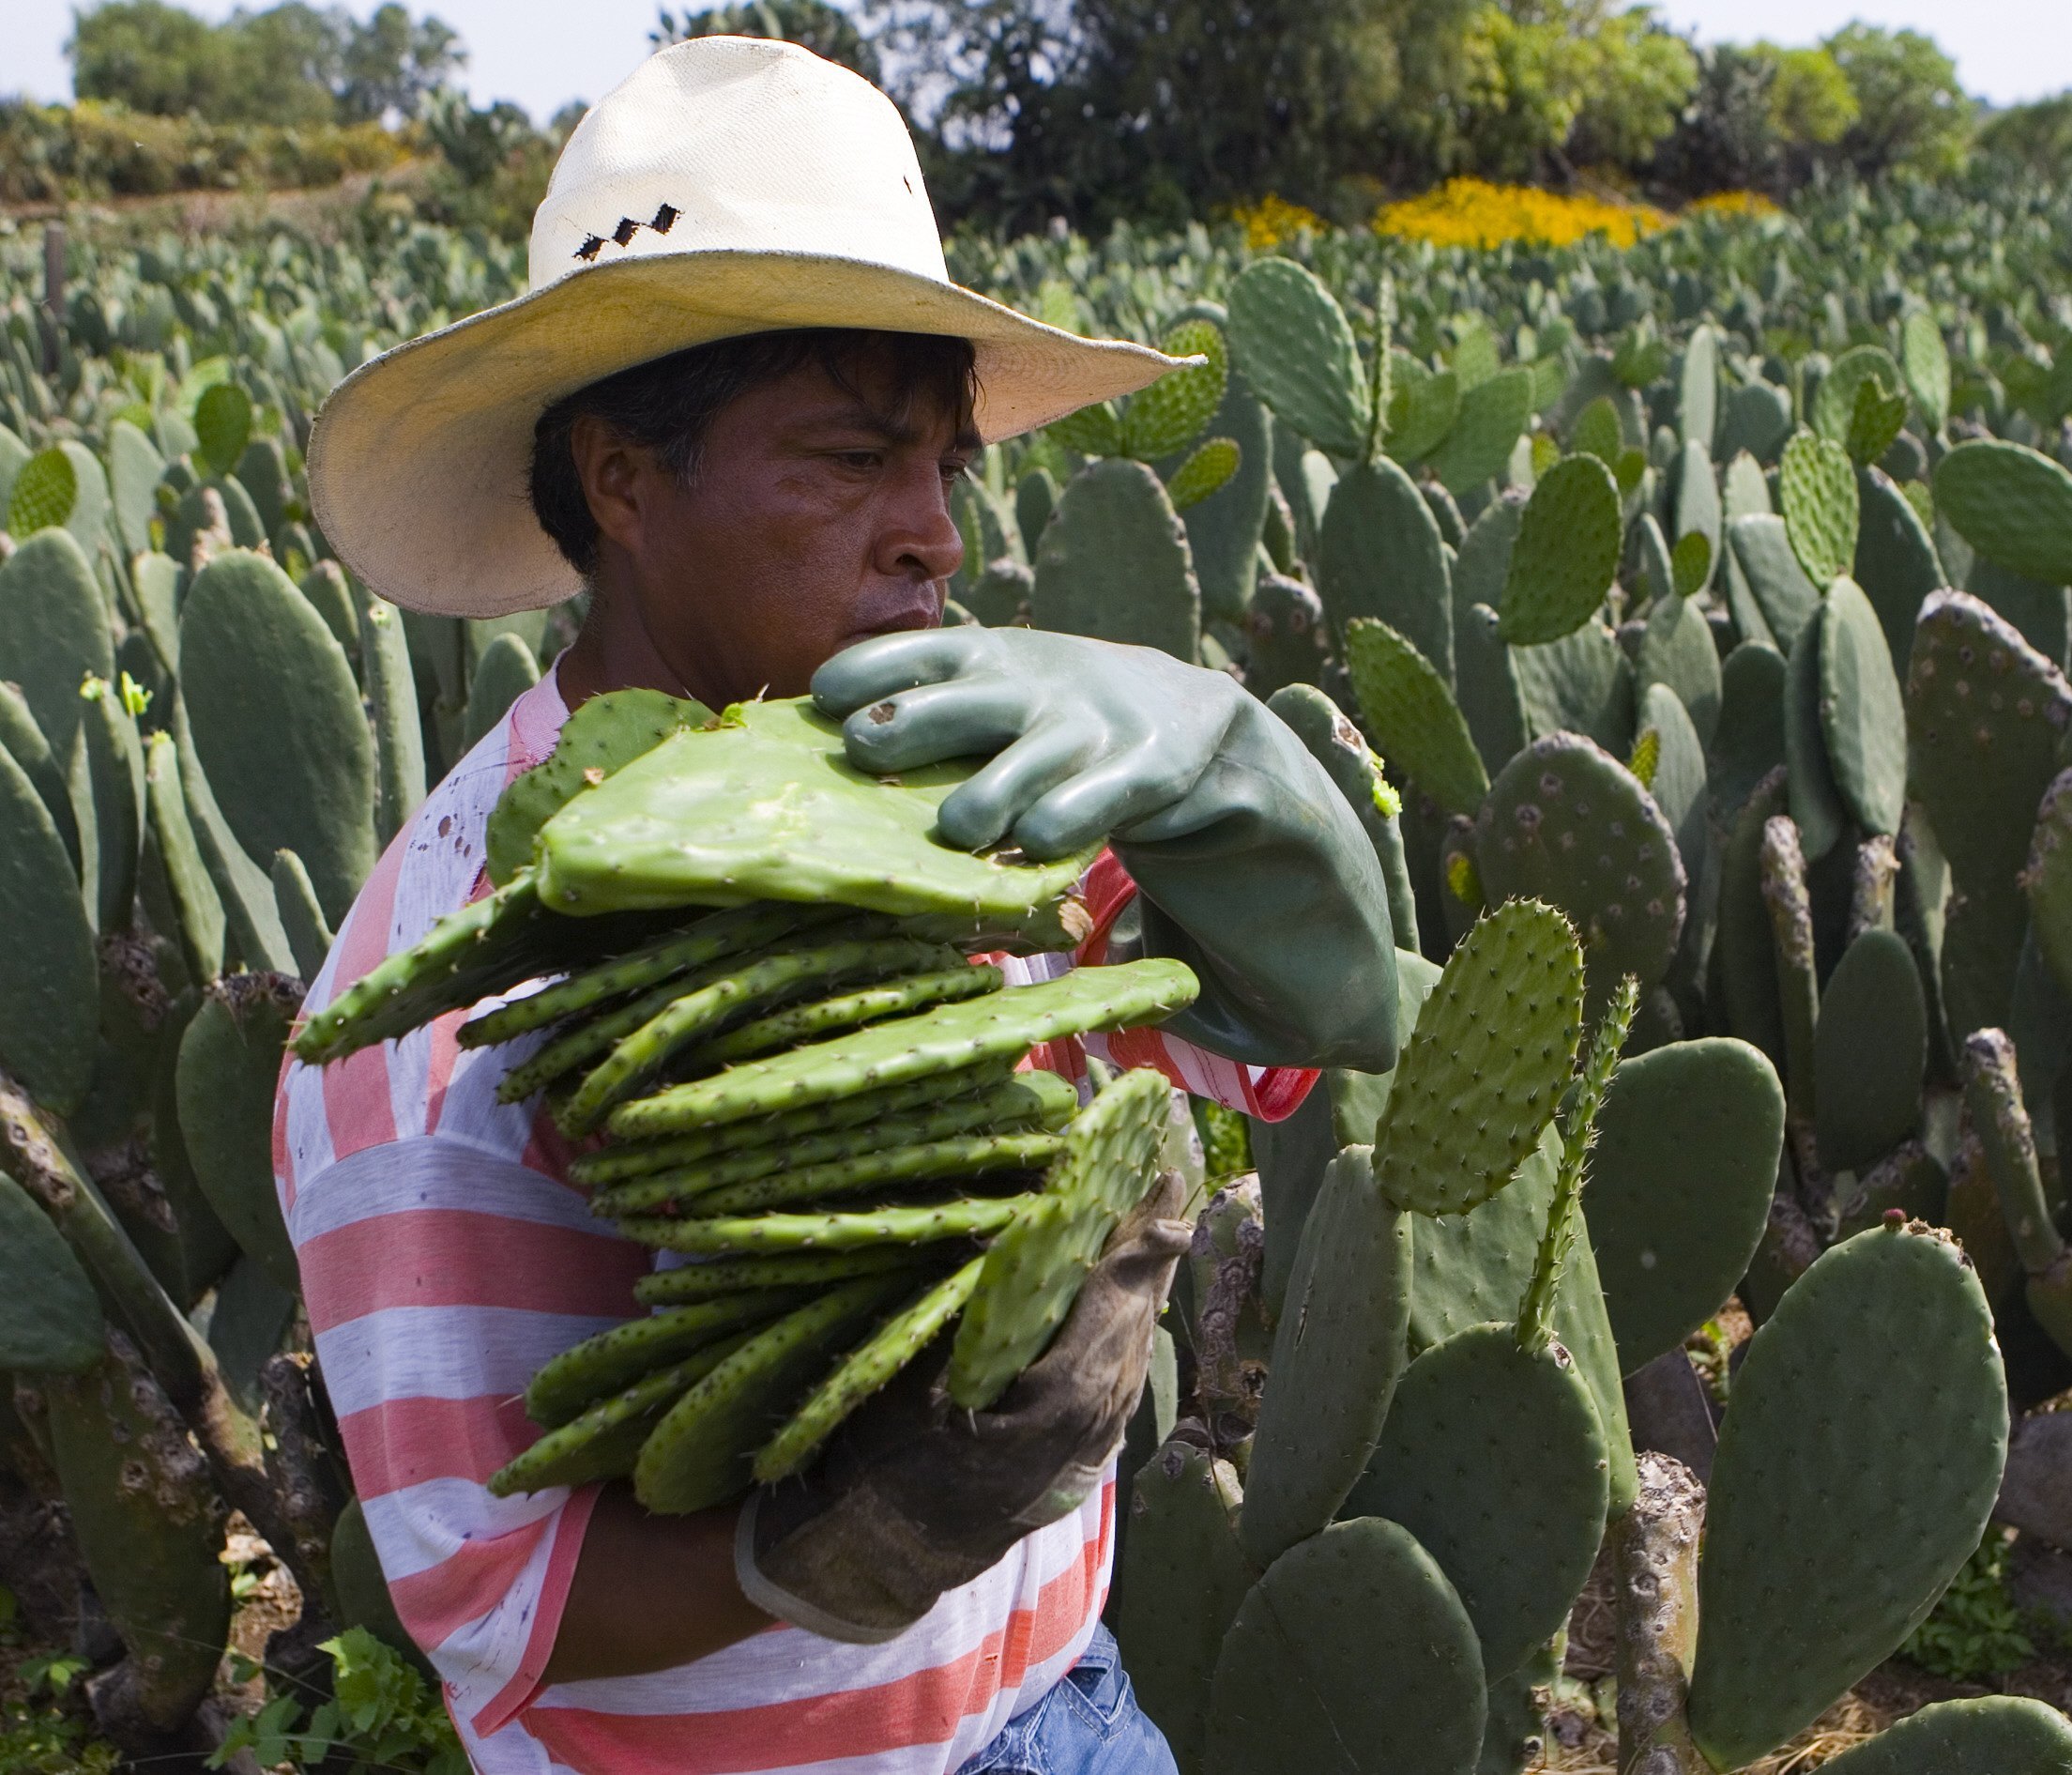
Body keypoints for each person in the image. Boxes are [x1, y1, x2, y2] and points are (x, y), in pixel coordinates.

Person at [277, 37, 1397, 1775]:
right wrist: (850, 1526)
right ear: (621, 478)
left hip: (1076, 1709)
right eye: (850, 459)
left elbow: (1284, 1038)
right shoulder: (430, 1025)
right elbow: (498, 1604)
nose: (933, 533)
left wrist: (1243, 787)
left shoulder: (969, 789)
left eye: (945, 462)